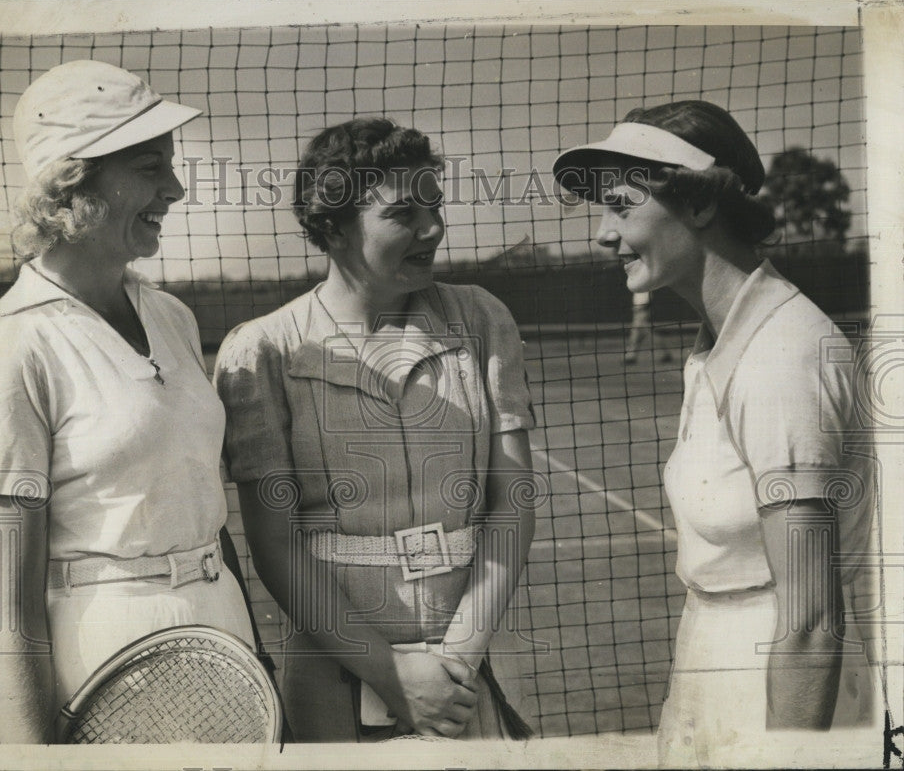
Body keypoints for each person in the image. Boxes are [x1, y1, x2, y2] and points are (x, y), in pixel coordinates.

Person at [0, 59, 256, 743]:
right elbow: (8, 614)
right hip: (105, 660)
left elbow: (207, 513)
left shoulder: (172, 316)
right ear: (73, 182)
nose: (175, 188)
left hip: (223, 636)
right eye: (149, 167)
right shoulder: (8, 351)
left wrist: (247, 651)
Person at [553, 100, 876, 765]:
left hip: (780, 682)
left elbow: (812, 622)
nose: (603, 234)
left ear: (699, 205)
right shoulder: (718, 343)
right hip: (711, 656)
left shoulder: (781, 356)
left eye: (621, 206)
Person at [214, 117, 537, 742]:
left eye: (436, 206)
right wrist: (391, 674)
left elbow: (513, 502)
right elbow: (275, 544)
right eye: (404, 213)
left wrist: (459, 661)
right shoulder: (260, 351)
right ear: (333, 226)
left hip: (474, 667)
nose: (433, 228)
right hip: (333, 675)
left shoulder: (482, 317)